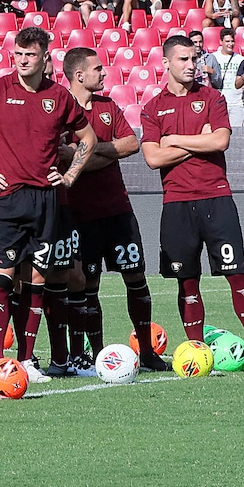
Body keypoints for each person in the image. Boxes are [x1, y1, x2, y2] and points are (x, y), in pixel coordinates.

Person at [0, 27, 97, 379]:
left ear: (46, 57)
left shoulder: (59, 96)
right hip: (6, 199)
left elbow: (87, 138)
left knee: (36, 283)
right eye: (18, 54)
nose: (23, 60)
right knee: (0, 281)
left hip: (46, 201)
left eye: (30, 54)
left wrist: (71, 175)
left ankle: (27, 360)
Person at [141, 35, 244, 367]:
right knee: (186, 280)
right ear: (166, 63)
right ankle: (194, 350)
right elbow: (152, 158)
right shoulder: (152, 107)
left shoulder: (212, 97)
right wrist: (198, 140)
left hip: (216, 199)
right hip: (176, 204)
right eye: (183, 60)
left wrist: (173, 139)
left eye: (194, 59)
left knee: (238, 275)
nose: (191, 66)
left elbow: (219, 141)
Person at [57, 47, 169, 372]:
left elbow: (131, 143)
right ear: (79, 75)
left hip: (118, 211)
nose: (104, 74)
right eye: (97, 69)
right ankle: (98, 355)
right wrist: (104, 154)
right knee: (88, 286)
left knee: (136, 278)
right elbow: (61, 158)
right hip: (80, 215)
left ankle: (147, 351)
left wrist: (85, 151)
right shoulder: (62, 111)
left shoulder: (108, 106)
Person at [209, 28, 244, 127]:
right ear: (221, 42)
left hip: (236, 103)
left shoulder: (241, 59)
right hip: (219, 101)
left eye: (232, 41)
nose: (230, 44)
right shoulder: (213, 58)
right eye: (227, 41)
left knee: (237, 134)